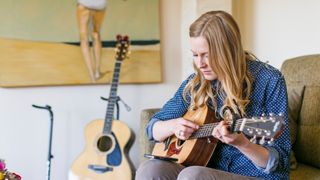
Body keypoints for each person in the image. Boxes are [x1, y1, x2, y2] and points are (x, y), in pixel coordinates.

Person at [136, 10, 290, 179]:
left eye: (207, 55)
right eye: (195, 55)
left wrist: (242, 143)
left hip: (254, 175)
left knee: (192, 175)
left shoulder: (269, 80)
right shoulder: (194, 84)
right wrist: (174, 126)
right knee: (150, 169)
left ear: (228, 51)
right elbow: (152, 128)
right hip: (205, 169)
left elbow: (280, 160)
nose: (200, 64)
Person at [76, 0, 107, 82]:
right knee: (96, 34)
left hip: (84, 3)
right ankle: (97, 72)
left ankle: (92, 77)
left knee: (84, 38)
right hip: (100, 4)